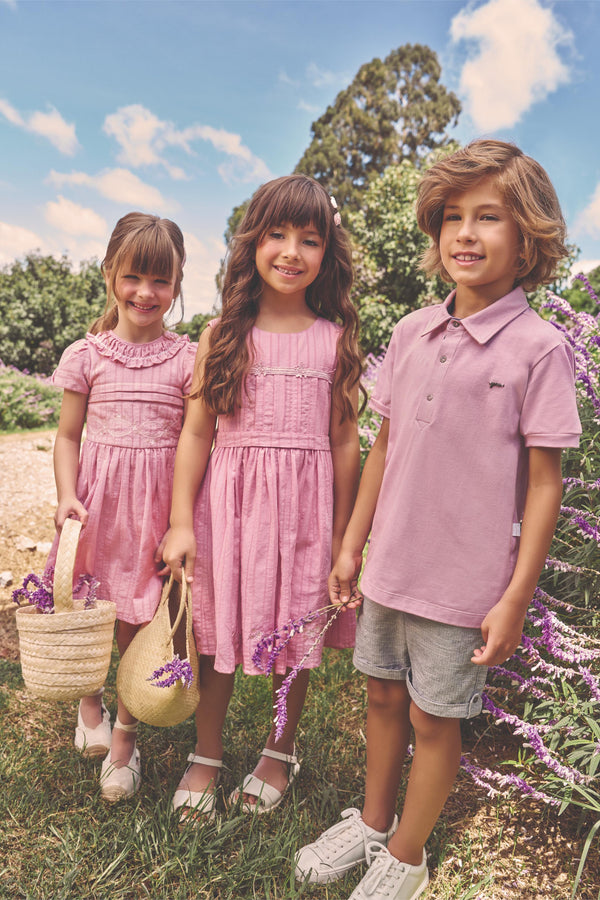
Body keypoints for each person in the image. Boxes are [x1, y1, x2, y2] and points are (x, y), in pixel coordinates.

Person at [295, 139, 581, 899]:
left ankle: (410, 854)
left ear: (529, 239)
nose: (465, 232)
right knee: (382, 695)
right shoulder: (412, 332)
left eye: (489, 216)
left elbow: (545, 484)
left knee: (433, 717)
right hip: (391, 561)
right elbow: (383, 445)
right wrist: (352, 544)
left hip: (464, 584)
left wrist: (515, 597)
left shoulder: (540, 349)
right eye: (452, 216)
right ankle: (372, 819)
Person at [163, 174, 363, 823]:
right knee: (216, 630)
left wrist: (340, 539)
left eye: (309, 239)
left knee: (292, 638)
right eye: (277, 233)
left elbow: (342, 445)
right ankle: (209, 753)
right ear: (252, 242)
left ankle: (278, 751)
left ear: (326, 254)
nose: (290, 251)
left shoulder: (333, 342)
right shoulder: (221, 334)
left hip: (304, 517)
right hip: (227, 514)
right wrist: (179, 523)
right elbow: (196, 433)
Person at [48, 212, 195, 802]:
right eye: (133, 276)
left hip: (155, 513)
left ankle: (126, 740)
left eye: (161, 281)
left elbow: (194, 440)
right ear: (111, 273)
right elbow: (66, 436)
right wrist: (66, 495)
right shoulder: (87, 355)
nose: (145, 292)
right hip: (98, 509)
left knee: (141, 619)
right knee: (92, 608)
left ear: (178, 285)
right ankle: (90, 703)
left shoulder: (187, 359)